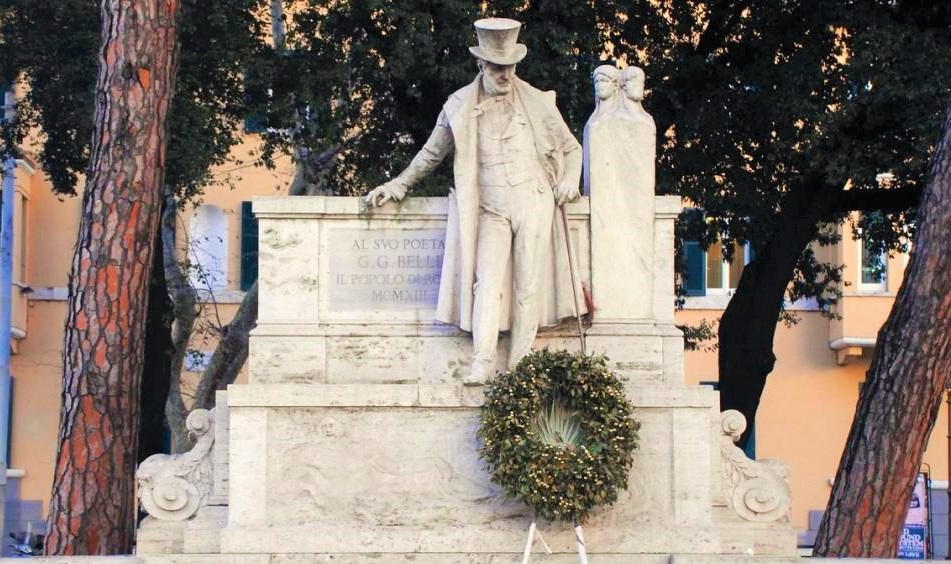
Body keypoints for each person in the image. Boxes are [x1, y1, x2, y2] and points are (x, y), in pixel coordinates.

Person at [365, 18, 585, 384]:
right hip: (491, 207)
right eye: (498, 68)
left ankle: (519, 365)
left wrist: (568, 179)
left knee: (528, 287)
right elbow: (431, 153)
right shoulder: (459, 105)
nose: (505, 75)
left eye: (510, 67)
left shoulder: (537, 101)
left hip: (534, 200)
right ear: (481, 66)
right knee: (486, 283)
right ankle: (482, 360)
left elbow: (571, 148)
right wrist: (399, 185)